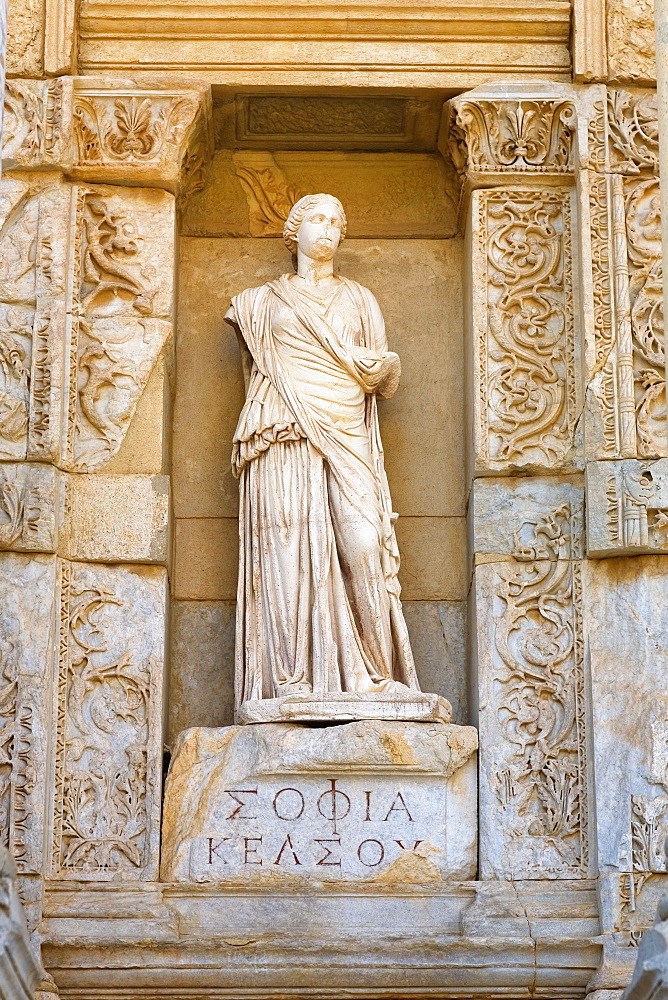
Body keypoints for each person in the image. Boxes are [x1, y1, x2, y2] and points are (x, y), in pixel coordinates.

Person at [225, 193, 420, 713]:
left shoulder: (360, 299)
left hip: (347, 431)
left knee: (364, 545)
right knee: (287, 549)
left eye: (336, 221)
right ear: (295, 231)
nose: (327, 229)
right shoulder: (258, 302)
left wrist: (381, 367)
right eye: (316, 219)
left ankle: (375, 676)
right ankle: (289, 681)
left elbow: (382, 374)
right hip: (283, 430)